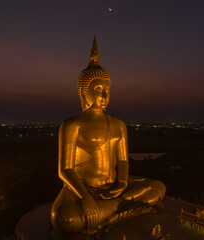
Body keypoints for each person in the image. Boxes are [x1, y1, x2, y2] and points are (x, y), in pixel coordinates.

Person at [51, 37, 166, 234]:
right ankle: (122, 208)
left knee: (158, 187)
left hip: (114, 186)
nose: (104, 96)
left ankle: (111, 212)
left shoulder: (118, 124)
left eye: (107, 90)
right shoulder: (72, 125)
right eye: (97, 89)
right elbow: (65, 170)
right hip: (81, 190)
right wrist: (86, 198)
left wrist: (122, 183)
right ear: (82, 91)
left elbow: (122, 162)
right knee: (65, 219)